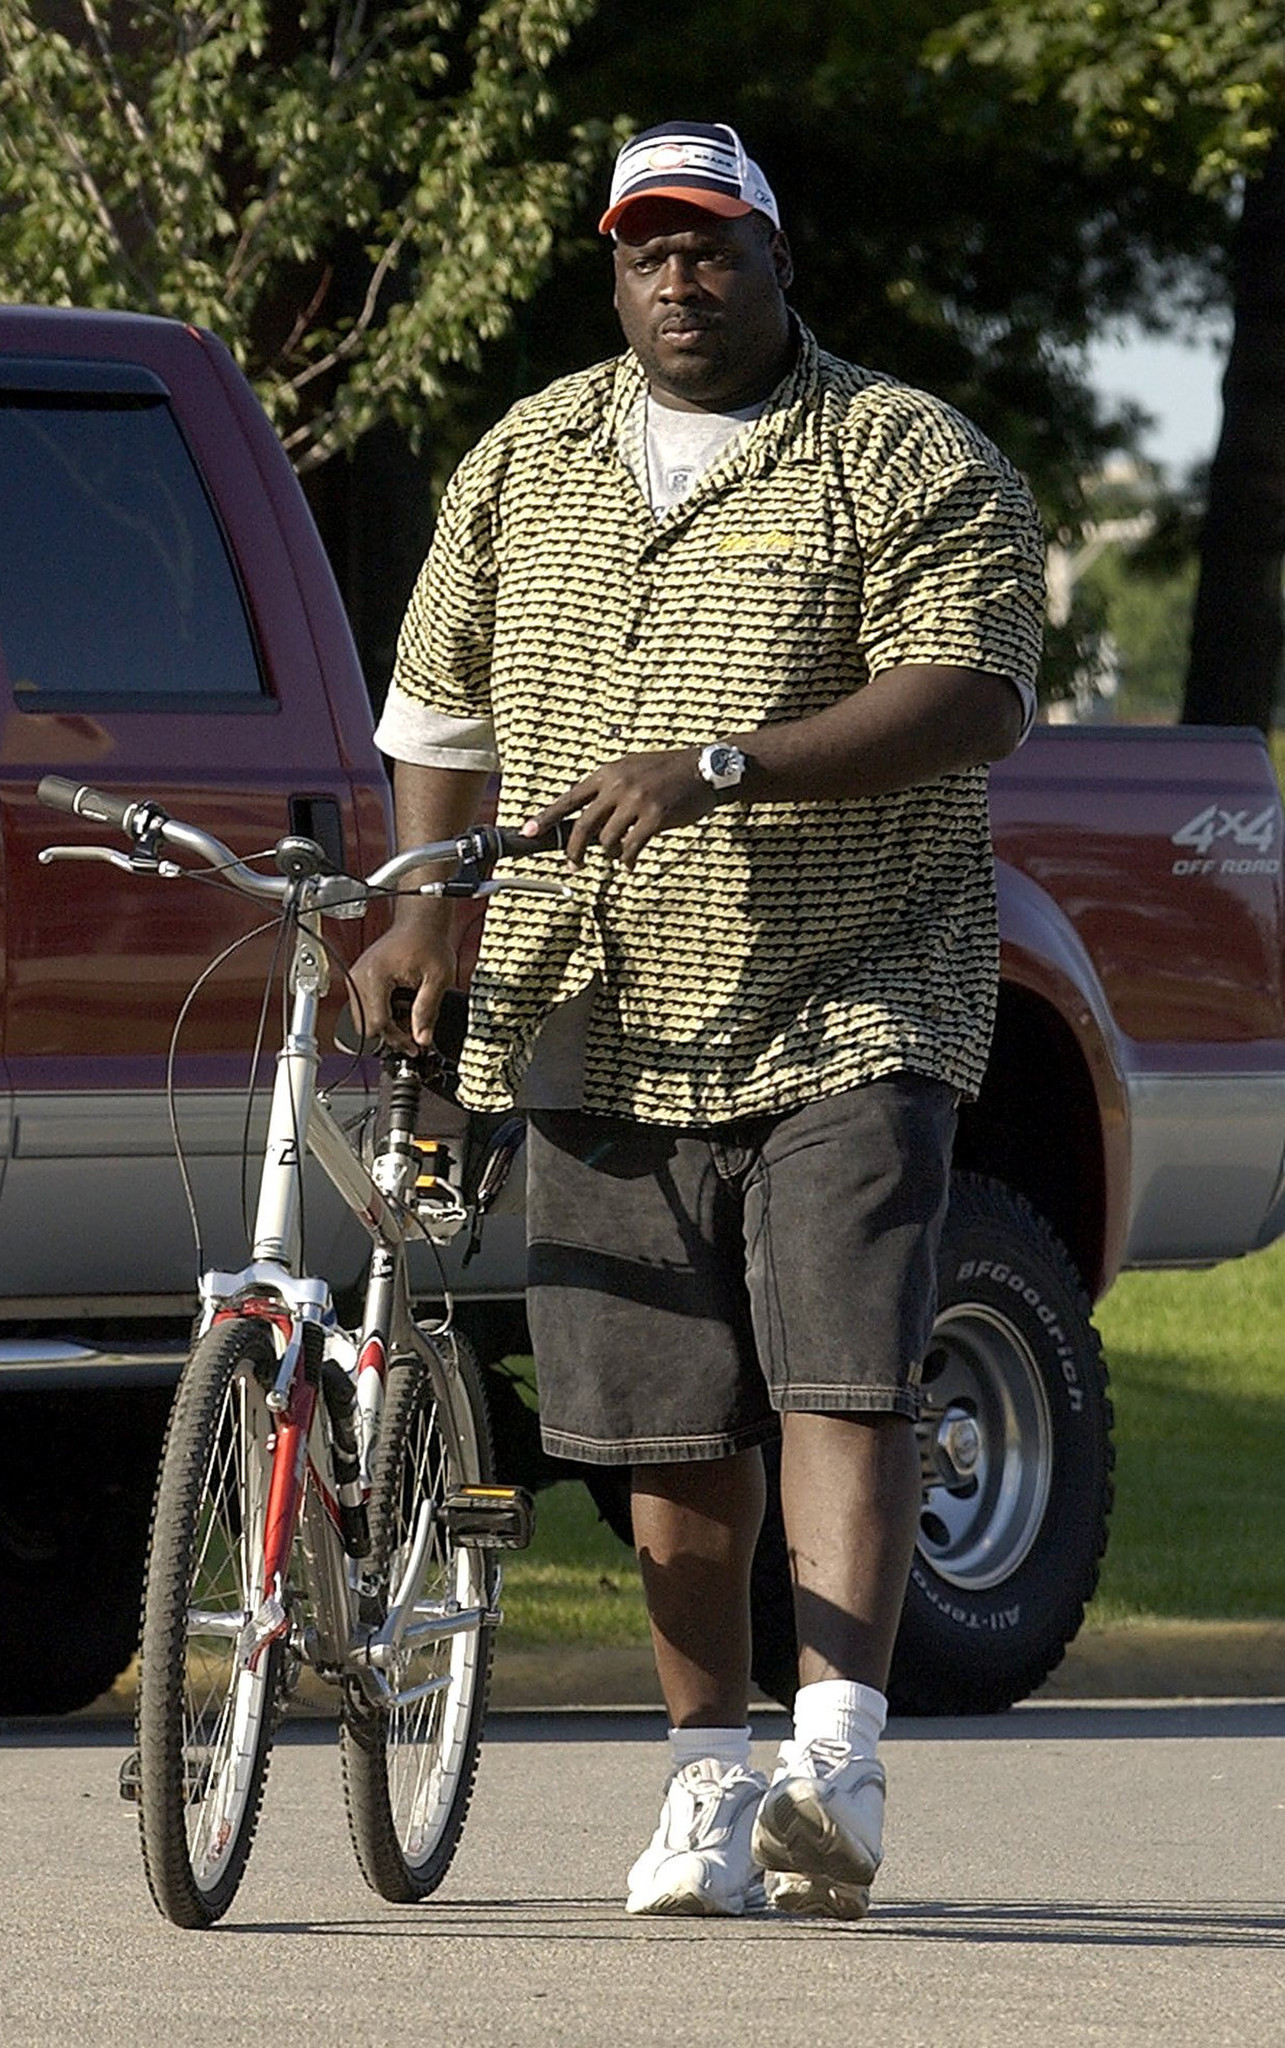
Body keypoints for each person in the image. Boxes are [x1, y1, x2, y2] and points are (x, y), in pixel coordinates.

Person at [351, 118, 1044, 1921]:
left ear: (774, 256)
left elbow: (971, 695)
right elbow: (436, 717)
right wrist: (426, 904)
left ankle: (837, 1752)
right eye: (647, 247)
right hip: (589, 998)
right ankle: (702, 1784)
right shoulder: (525, 458)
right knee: (659, 1417)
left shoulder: (901, 451)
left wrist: (727, 765)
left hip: (849, 987)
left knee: (833, 1362)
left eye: (712, 244)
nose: (680, 275)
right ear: (612, 266)